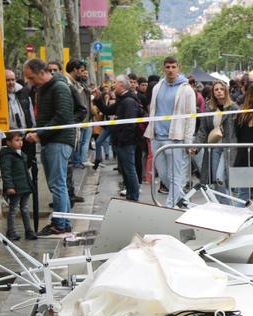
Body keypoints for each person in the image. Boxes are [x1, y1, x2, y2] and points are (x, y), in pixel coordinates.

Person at [22, 58, 74, 236]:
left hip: (58, 142)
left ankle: (60, 224)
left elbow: (63, 118)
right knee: (58, 185)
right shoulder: (44, 89)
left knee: (57, 184)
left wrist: (39, 134)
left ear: (42, 73)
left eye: (31, 78)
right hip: (51, 141)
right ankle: (63, 222)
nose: (30, 82)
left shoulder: (59, 88)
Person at [144, 57, 196, 208]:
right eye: (167, 67)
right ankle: (183, 202)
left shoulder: (186, 89)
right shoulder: (157, 87)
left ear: (178, 68)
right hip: (156, 137)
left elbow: (191, 117)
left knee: (175, 176)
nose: (170, 70)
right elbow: (153, 110)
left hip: (175, 139)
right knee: (164, 175)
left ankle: (170, 207)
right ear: (163, 68)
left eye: (173, 67)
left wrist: (188, 142)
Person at [94, 75, 143, 201]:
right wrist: (98, 98)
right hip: (121, 141)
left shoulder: (128, 101)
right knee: (126, 171)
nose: (113, 85)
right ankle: (130, 195)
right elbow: (107, 110)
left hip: (126, 143)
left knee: (129, 170)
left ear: (121, 85)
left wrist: (122, 140)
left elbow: (130, 124)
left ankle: (134, 196)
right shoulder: (122, 99)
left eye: (115, 83)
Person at [6, 69, 39, 232]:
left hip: (25, 135)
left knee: (24, 166)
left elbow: (30, 113)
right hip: (10, 135)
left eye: (12, 79)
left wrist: (33, 130)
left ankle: (28, 229)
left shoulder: (23, 93)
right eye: (7, 80)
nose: (11, 83)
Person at [194, 80, 239, 198]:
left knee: (221, 178)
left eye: (221, 89)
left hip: (228, 148)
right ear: (213, 92)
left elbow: (239, 129)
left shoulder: (234, 108)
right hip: (213, 147)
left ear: (226, 90)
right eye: (216, 90)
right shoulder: (209, 108)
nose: (219, 92)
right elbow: (203, 130)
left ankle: (228, 206)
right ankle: (221, 205)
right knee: (215, 179)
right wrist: (196, 146)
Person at [0, 132, 36, 241]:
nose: (20, 142)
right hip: (15, 188)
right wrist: (9, 186)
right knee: (13, 209)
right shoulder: (7, 156)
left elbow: (25, 172)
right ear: (8, 143)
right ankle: (11, 231)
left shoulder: (21, 154)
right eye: (17, 140)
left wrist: (30, 185)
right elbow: (6, 172)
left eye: (21, 140)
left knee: (25, 208)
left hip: (24, 187)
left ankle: (29, 231)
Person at [65, 60, 91, 208]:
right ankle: (68, 195)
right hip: (68, 131)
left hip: (75, 129)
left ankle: (71, 193)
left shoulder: (78, 85)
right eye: (82, 70)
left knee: (69, 165)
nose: (84, 74)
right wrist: (71, 123)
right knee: (67, 164)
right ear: (75, 70)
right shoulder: (67, 85)